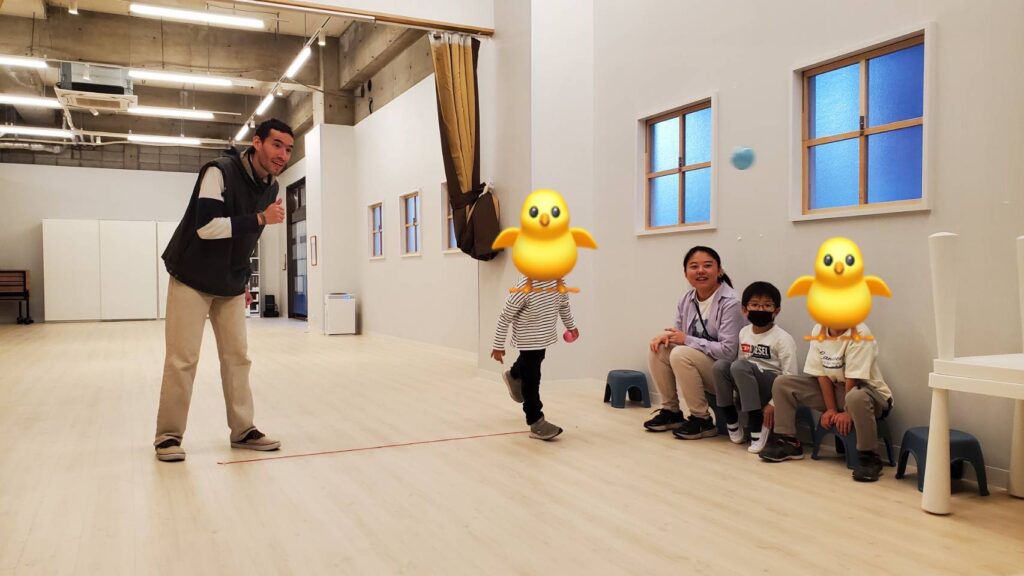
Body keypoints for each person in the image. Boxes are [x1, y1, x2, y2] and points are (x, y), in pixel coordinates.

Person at [153, 118, 294, 462]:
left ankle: (243, 430)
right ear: (257, 142)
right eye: (276, 145)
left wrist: (244, 278)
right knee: (183, 360)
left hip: (229, 282)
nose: (283, 155)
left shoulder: (270, 187)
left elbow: (247, 240)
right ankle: (168, 436)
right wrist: (260, 218)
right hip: (191, 277)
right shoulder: (218, 172)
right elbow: (206, 227)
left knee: (237, 358)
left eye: (289, 149)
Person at [759, 322, 894, 482]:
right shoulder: (819, 329)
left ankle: (869, 457)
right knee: (783, 383)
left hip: (868, 394)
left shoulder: (860, 331)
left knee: (854, 397)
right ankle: (789, 442)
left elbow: (854, 378)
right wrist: (831, 409)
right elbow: (821, 374)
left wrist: (847, 411)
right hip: (837, 389)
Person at [645, 246, 743, 439]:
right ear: (685, 273)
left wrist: (687, 339)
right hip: (702, 365)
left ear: (719, 270)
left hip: (726, 375)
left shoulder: (731, 302)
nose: (700, 271)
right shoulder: (687, 299)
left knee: (680, 353)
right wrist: (667, 336)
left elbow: (729, 352)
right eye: (694, 266)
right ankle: (671, 411)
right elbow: (678, 335)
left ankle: (702, 420)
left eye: (707, 265)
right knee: (659, 348)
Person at [711, 281, 797, 454]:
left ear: (776, 311)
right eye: (755, 305)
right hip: (747, 381)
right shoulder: (744, 332)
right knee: (720, 366)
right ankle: (730, 418)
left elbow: (790, 376)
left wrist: (773, 404)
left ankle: (756, 423)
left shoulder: (783, 339)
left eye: (767, 306)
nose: (761, 309)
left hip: (772, 386)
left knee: (740, 366)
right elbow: (739, 364)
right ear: (744, 310)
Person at [491, 276, 579, 440]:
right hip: (527, 339)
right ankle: (536, 421)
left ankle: (514, 375)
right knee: (532, 378)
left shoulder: (558, 282)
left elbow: (564, 305)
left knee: (535, 360)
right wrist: (498, 345)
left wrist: (571, 326)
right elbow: (505, 316)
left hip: (544, 337)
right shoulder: (525, 286)